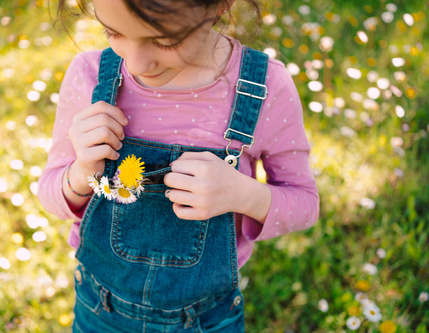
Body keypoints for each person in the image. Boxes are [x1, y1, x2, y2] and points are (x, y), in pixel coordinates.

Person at [38, 0, 319, 331]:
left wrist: (244, 194)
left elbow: (305, 203)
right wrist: (83, 172)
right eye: (113, 32)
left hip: (207, 320)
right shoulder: (89, 77)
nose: (137, 62)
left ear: (219, 6)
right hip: (100, 311)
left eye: (164, 40)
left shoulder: (264, 88)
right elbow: (51, 193)